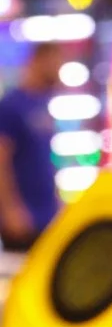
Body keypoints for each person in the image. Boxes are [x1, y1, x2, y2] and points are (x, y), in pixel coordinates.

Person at [0, 42, 67, 251]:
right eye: (54, 62)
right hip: (23, 216)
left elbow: (45, 159)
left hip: (47, 214)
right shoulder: (12, 106)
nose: (58, 68)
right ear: (38, 62)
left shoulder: (44, 104)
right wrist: (10, 209)